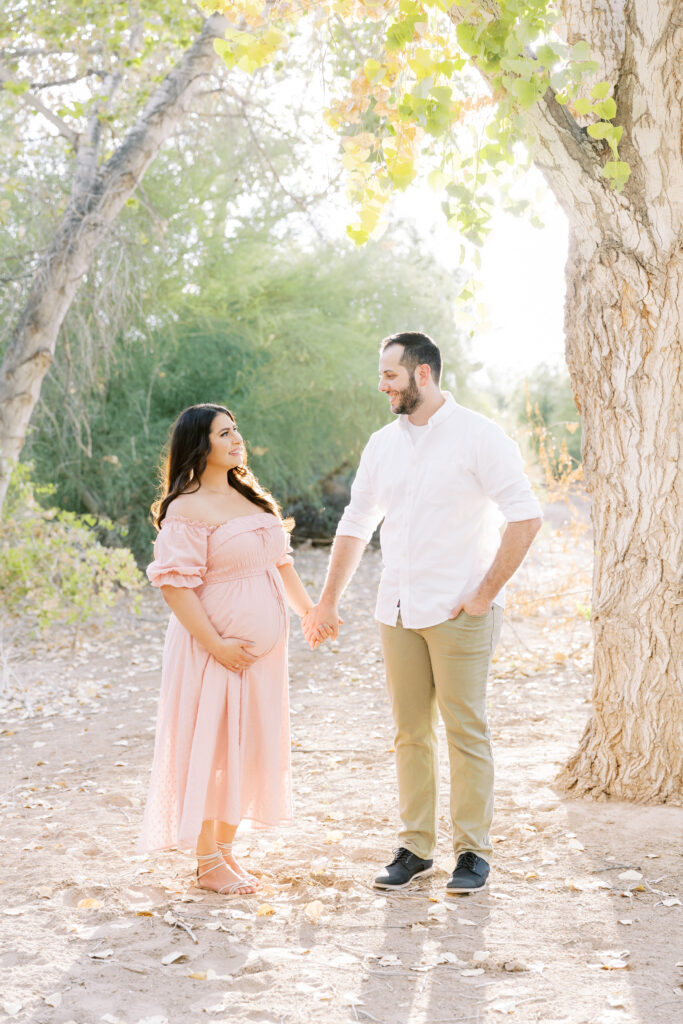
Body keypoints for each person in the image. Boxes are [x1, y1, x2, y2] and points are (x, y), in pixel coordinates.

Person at [304, 332, 543, 894]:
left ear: (423, 374)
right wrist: (329, 599)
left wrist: (483, 594)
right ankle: (415, 849)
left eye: (390, 374)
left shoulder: (479, 436)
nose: (381, 385)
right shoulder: (382, 444)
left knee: (465, 731)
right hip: (397, 610)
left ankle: (472, 854)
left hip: (461, 609)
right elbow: (356, 522)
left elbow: (525, 517)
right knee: (410, 733)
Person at [139, 403, 330, 895]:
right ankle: (206, 863)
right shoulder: (186, 508)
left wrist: (309, 611)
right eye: (224, 433)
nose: (236, 439)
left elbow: (280, 564)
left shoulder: (251, 498)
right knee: (213, 748)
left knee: (247, 748)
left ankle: (225, 852)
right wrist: (218, 645)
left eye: (236, 430)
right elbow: (175, 587)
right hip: (213, 650)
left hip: (262, 658)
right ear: (200, 446)